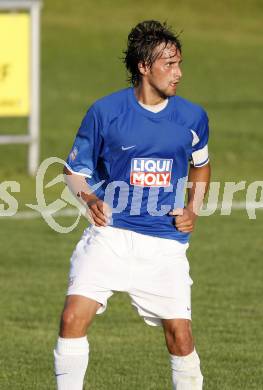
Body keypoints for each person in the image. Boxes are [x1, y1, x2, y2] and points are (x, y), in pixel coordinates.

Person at [54, 20, 211, 390]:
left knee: (180, 337)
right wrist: (89, 196)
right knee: (73, 318)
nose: (179, 73)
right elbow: (72, 170)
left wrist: (193, 209)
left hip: (164, 241)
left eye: (179, 63)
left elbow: (201, 165)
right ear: (144, 67)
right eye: (169, 64)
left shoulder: (192, 117)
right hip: (111, 234)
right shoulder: (106, 112)